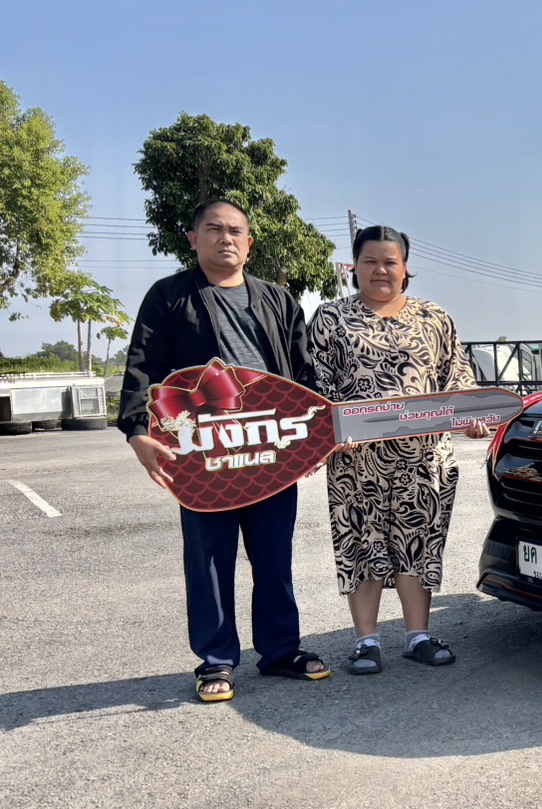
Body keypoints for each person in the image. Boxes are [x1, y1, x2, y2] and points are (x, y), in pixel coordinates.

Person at [118, 199, 329, 702]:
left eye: (236, 231)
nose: (226, 238)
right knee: (209, 560)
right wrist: (137, 431)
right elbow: (142, 368)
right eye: (214, 229)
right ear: (194, 239)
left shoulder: (278, 300)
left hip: (271, 449)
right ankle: (216, 660)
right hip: (203, 453)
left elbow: (304, 375)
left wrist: (316, 436)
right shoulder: (170, 297)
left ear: (249, 244)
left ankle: (280, 651)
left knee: (274, 556)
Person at [307, 225, 488, 674]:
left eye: (390, 262)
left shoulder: (434, 318)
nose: (380, 270)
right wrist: (328, 429)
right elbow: (315, 383)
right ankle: (365, 641)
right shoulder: (330, 318)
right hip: (355, 460)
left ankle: (417, 635)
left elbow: (457, 376)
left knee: (417, 543)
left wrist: (472, 414)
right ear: (354, 267)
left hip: (424, 459)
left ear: (405, 268)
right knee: (361, 543)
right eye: (370, 261)